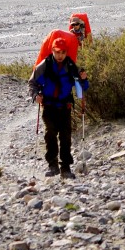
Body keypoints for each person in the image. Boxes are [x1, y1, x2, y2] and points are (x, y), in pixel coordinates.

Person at [29, 37, 89, 179]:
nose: (60, 55)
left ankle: (65, 168)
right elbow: (32, 83)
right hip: (48, 106)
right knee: (50, 134)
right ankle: (52, 165)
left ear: (66, 52)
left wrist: (84, 79)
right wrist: (35, 95)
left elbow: (83, 87)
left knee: (65, 136)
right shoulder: (45, 65)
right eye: (57, 52)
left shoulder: (71, 66)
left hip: (65, 106)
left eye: (63, 52)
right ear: (52, 51)